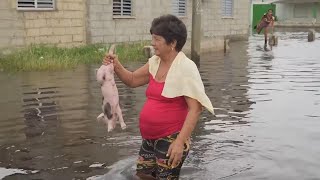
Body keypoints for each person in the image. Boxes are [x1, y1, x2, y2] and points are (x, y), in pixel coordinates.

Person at [103, 14, 214, 180]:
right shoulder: (155, 61)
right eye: (152, 38)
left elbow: (196, 108)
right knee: (143, 174)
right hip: (149, 138)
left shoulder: (186, 67)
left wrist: (179, 143)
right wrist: (116, 65)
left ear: (173, 43)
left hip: (172, 138)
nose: (152, 43)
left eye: (157, 39)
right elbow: (132, 80)